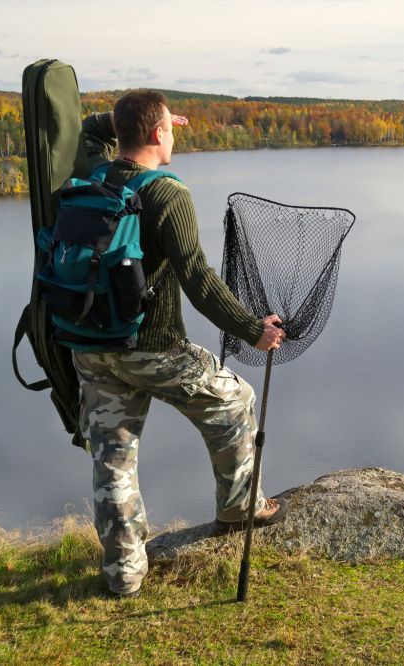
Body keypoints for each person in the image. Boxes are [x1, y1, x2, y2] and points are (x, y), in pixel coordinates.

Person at [74, 89, 287, 597]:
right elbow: (197, 277)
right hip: (153, 348)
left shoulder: (91, 175)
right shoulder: (168, 194)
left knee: (113, 458)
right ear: (156, 134)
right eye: (167, 127)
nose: (173, 135)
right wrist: (253, 329)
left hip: (90, 346)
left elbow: (90, 128)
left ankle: (124, 574)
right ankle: (240, 507)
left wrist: (137, 117)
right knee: (235, 399)